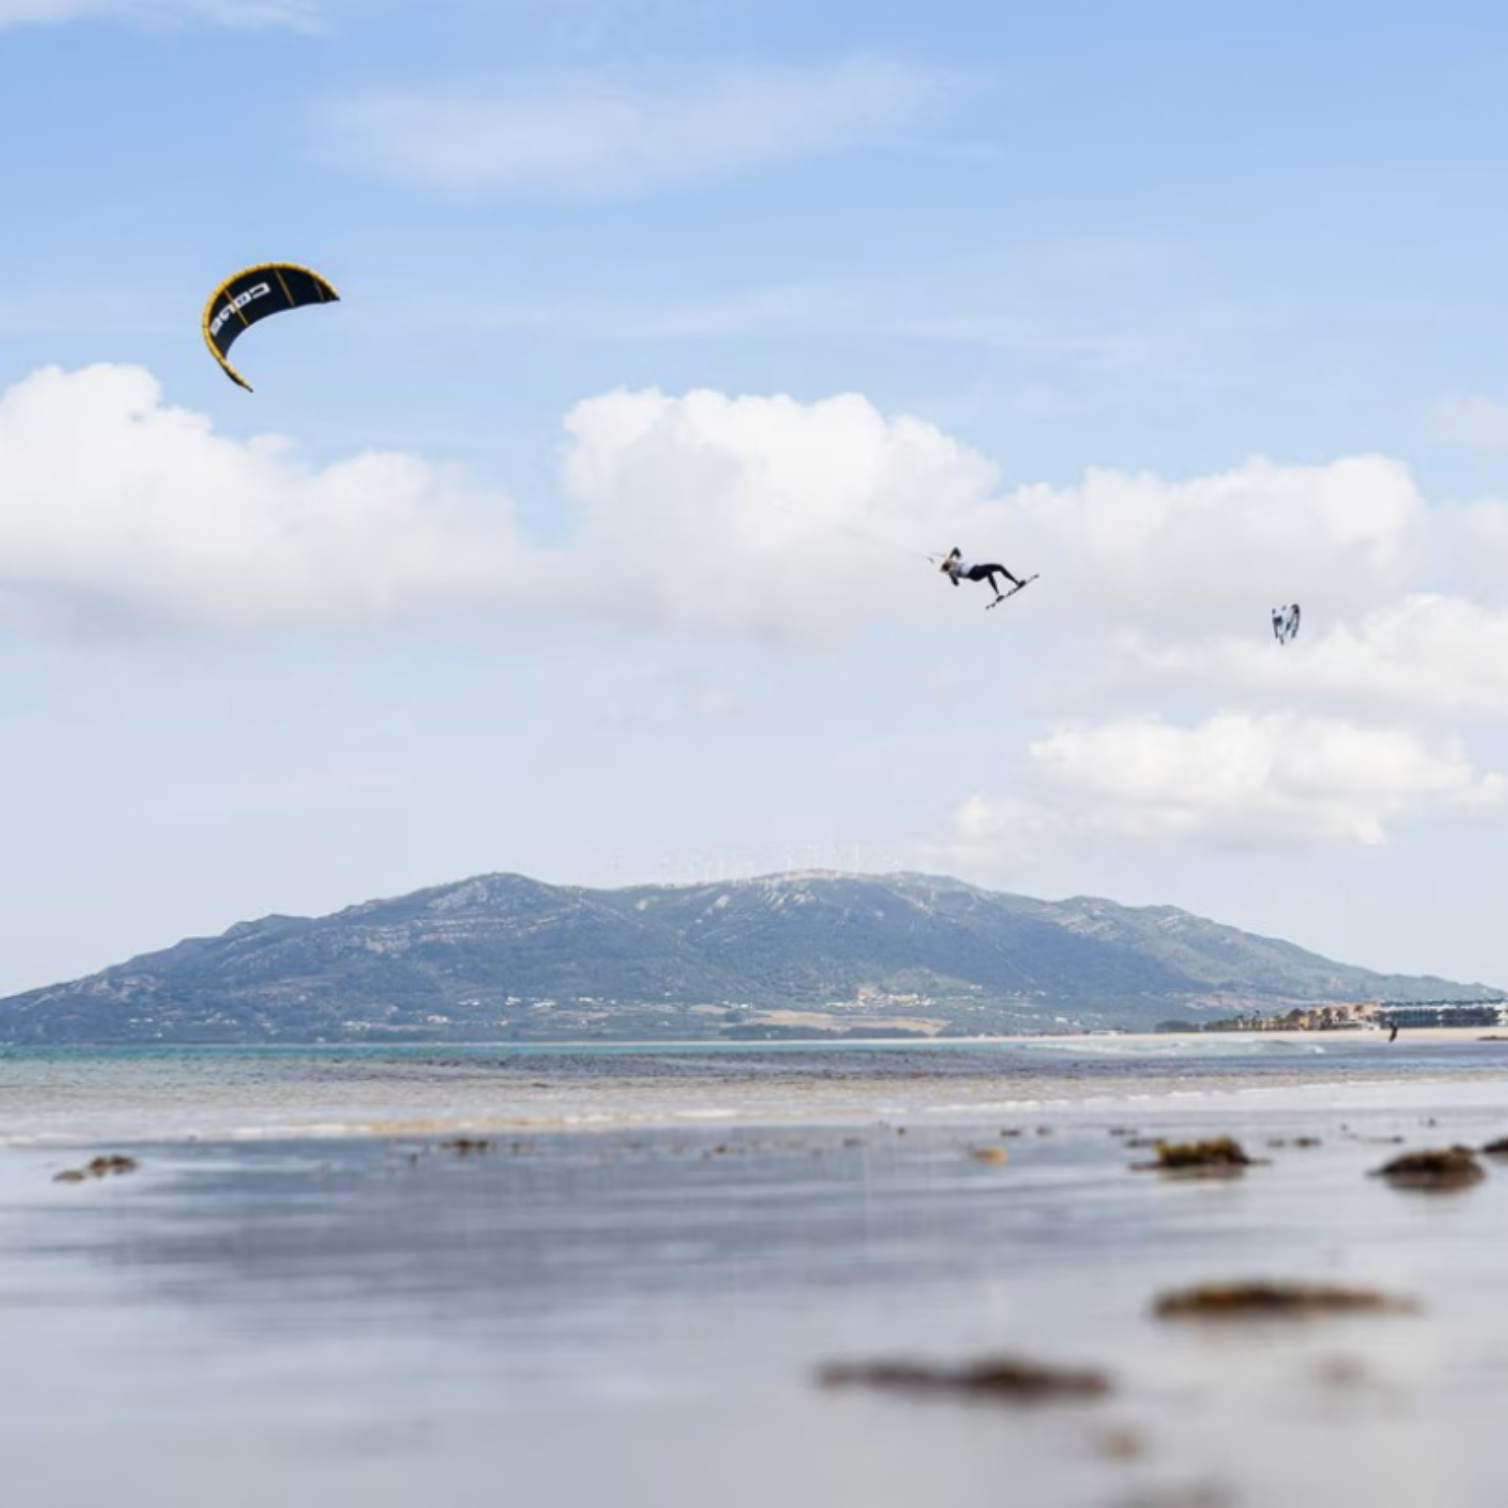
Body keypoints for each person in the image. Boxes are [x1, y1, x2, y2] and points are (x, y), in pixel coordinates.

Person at [940, 547, 1024, 603]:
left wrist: (949, 557)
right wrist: (951, 576)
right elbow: (956, 584)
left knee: (999, 566)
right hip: (973, 574)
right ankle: (998, 595)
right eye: (948, 564)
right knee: (988, 572)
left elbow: (956, 549)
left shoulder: (957, 560)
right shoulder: (952, 572)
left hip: (977, 567)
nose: (950, 563)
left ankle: (1017, 582)